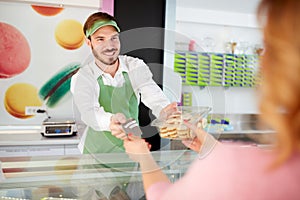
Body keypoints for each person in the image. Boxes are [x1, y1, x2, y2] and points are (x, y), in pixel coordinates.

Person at [123, 0, 300, 199]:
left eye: (269, 46)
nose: (263, 59)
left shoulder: (236, 169)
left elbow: (163, 196)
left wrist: (143, 157)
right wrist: (212, 148)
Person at [70, 12, 176, 199]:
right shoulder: (83, 77)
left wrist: (166, 111)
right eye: (100, 39)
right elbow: (89, 113)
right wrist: (111, 120)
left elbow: (152, 94)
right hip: (96, 162)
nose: (109, 46)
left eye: (114, 38)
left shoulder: (135, 66)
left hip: (132, 156)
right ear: (89, 43)